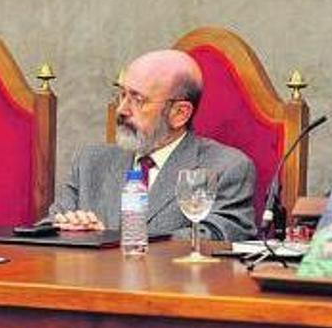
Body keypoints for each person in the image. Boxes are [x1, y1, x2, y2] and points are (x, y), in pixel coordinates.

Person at [50, 49, 257, 241]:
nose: (121, 110)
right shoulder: (90, 162)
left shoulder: (226, 167)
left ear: (179, 113)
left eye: (137, 99)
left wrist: (110, 240)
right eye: (122, 94)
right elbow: (47, 228)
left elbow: (219, 235)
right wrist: (69, 230)